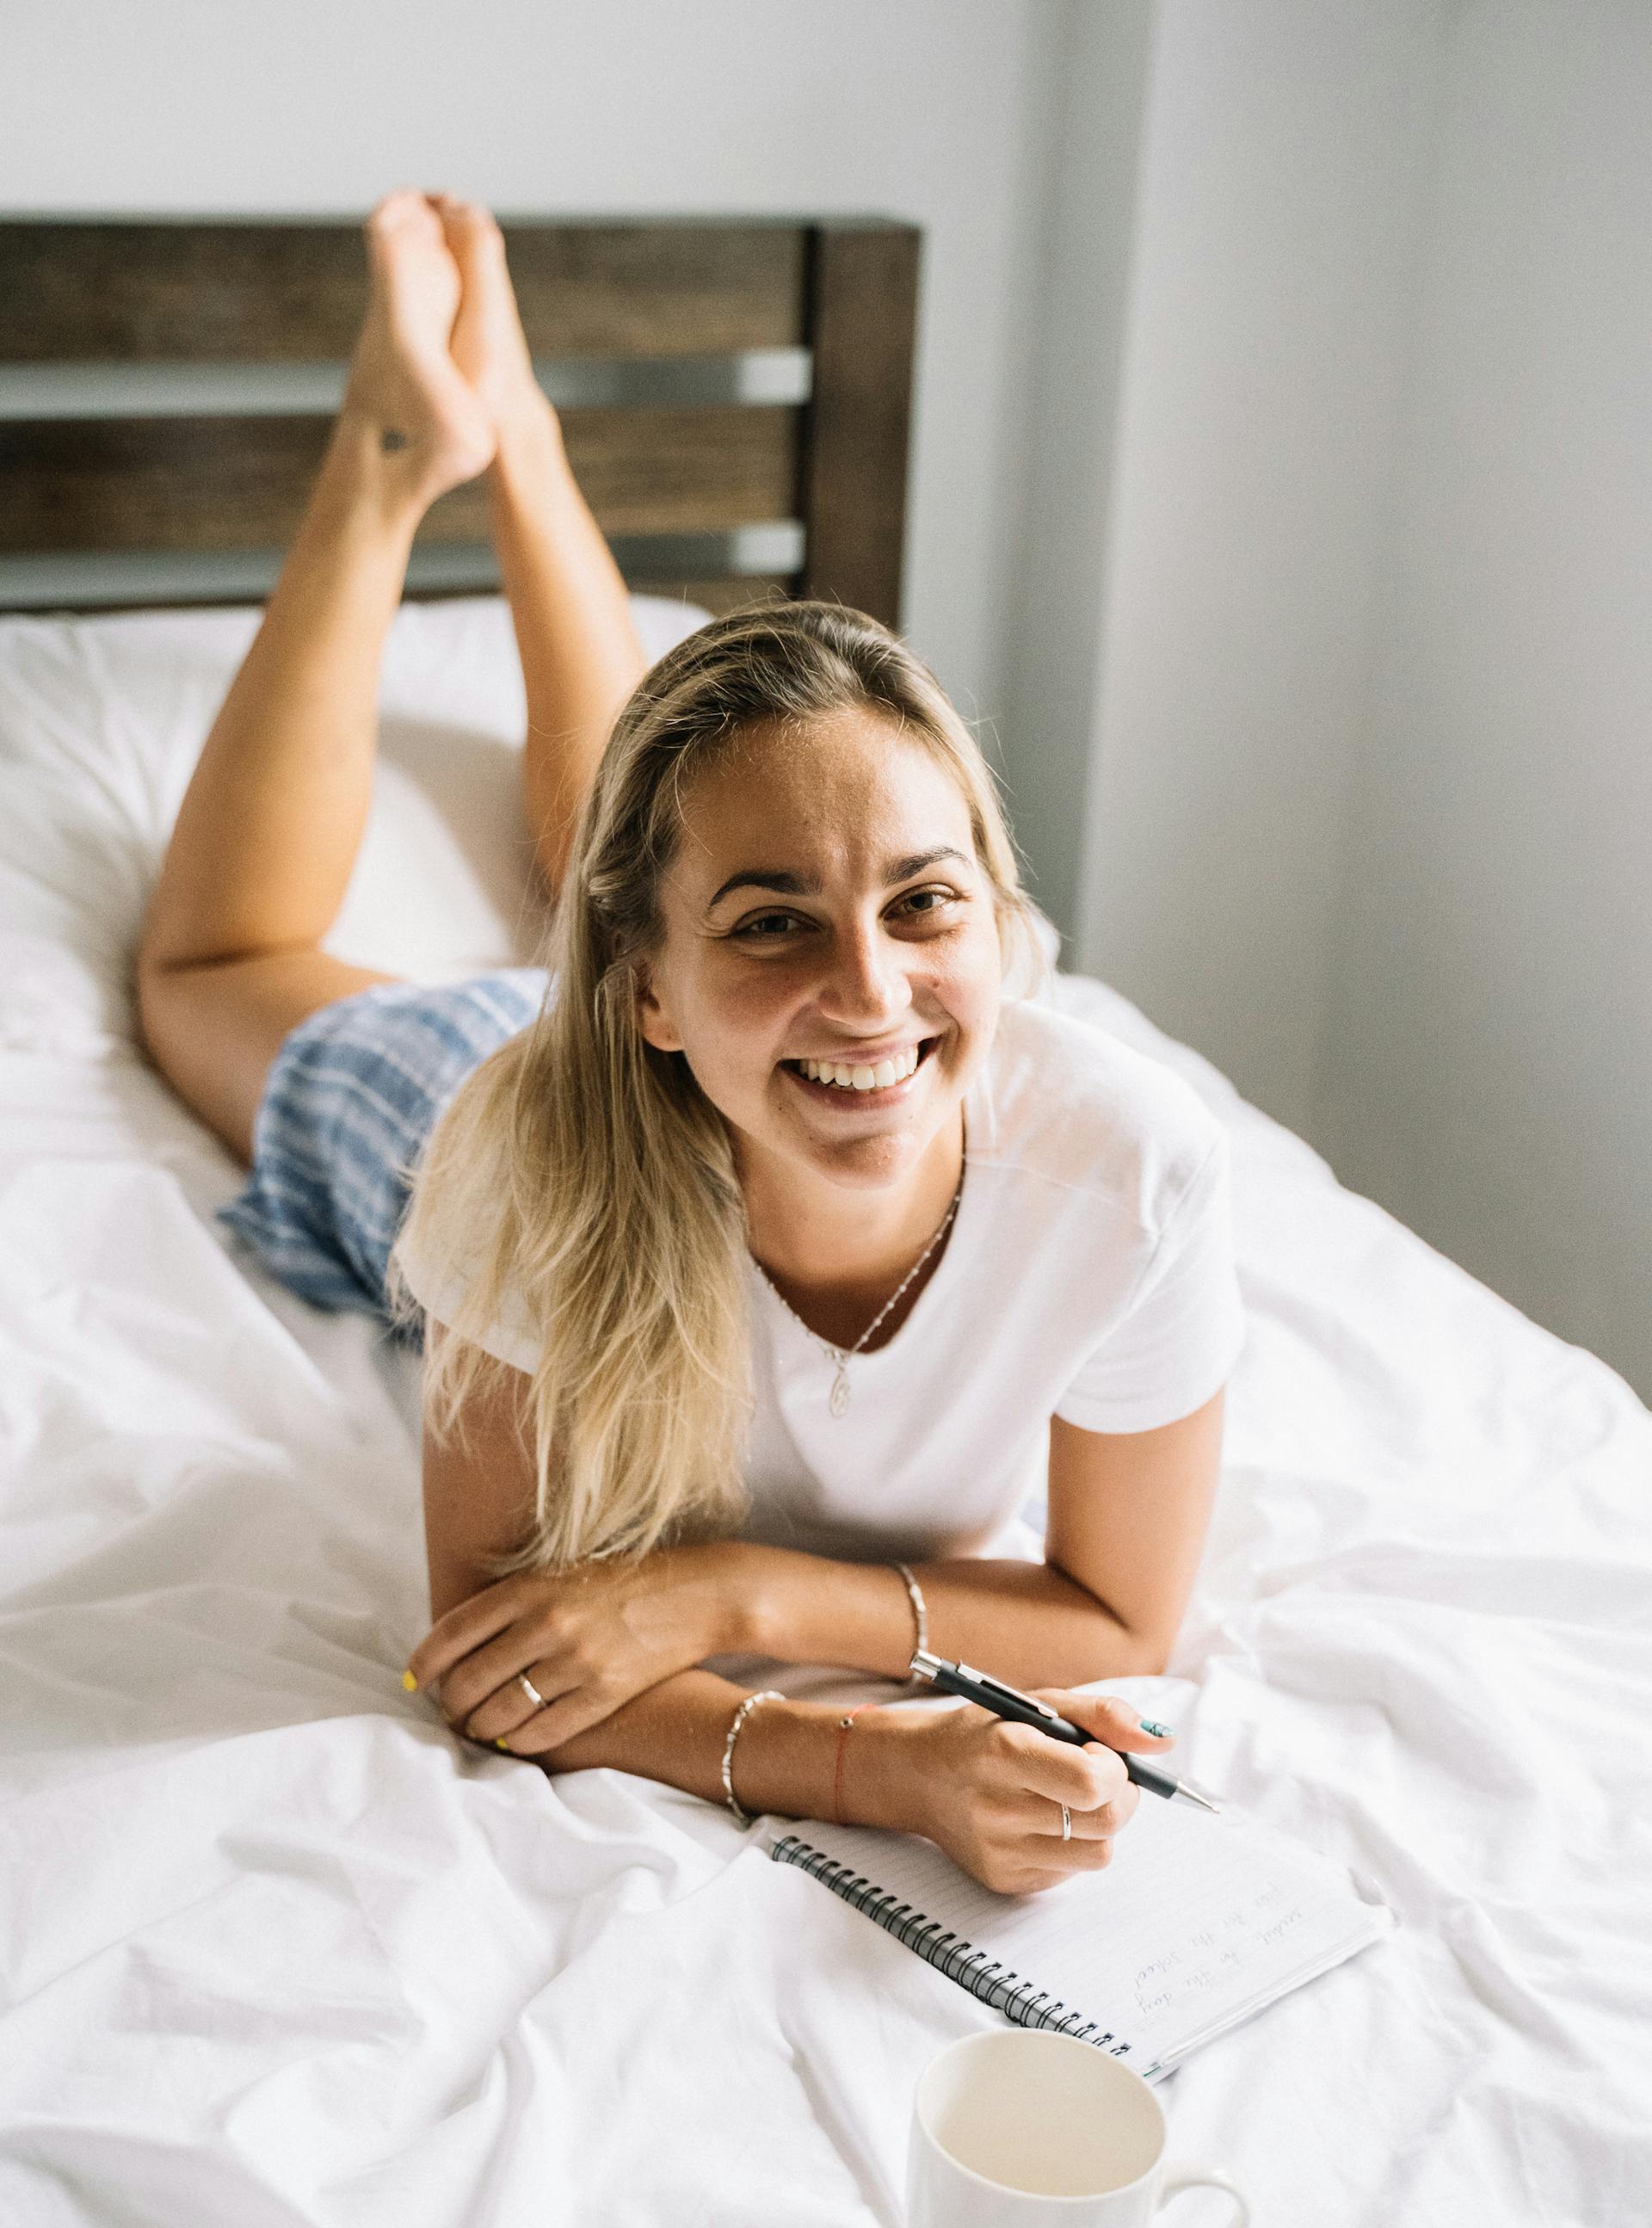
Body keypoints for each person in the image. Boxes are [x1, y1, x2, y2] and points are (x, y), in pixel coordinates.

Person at [138, 193, 1245, 1896]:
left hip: (690, 1030)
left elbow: (1115, 1616)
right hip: (505, 1095)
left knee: (659, 837)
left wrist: (723, 1593)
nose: (874, 991)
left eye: (925, 904)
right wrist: (881, 1765)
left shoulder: (1136, 1172)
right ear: (641, 998)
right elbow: (491, 1644)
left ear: (998, 919)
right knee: (215, 967)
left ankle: (519, 443)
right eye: (778, 923)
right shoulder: (517, 1153)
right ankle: (388, 454)